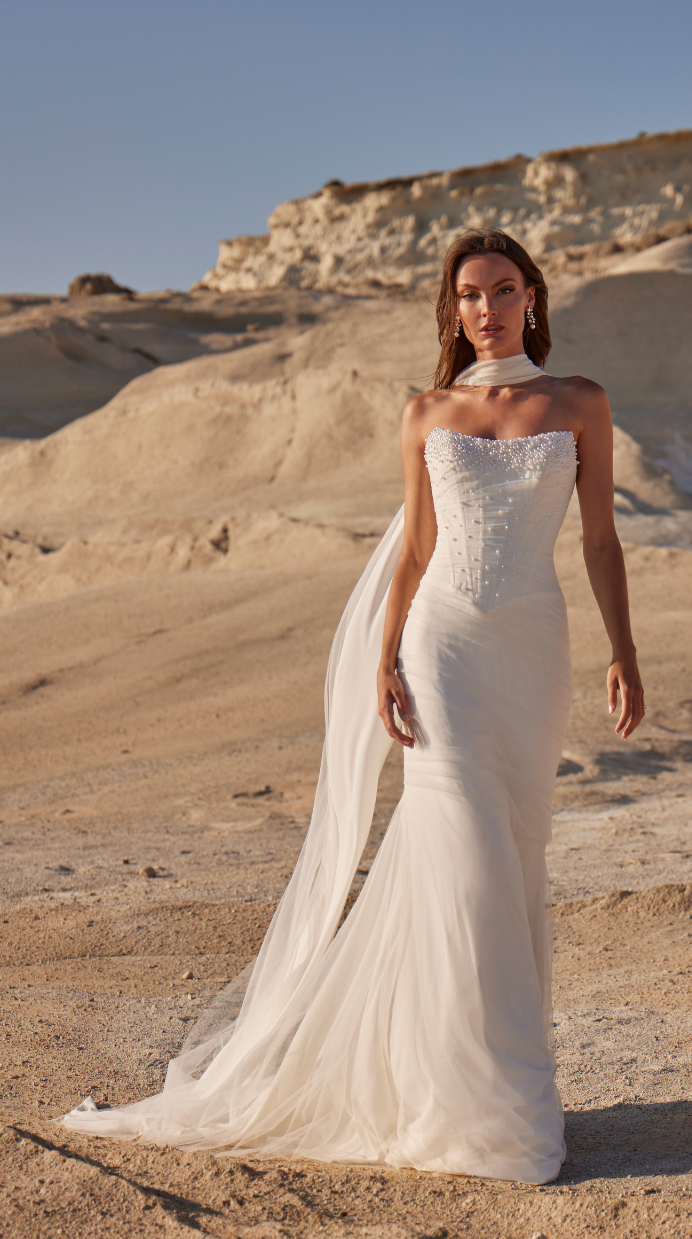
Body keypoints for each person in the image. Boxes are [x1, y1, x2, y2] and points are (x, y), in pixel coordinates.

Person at [60, 228, 644, 1185]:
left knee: (516, 854)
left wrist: (625, 648)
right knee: (463, 849)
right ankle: (472, 1108)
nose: (486, 308)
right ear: (452, 309)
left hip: (532, 649)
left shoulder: (579, 403)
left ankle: (493, 1076)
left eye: (504, 289)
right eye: (468, 294)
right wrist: (384, 658)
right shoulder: (426, 412)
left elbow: (601, 540)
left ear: (533, 298)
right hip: (442, 645)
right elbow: (415, 552)